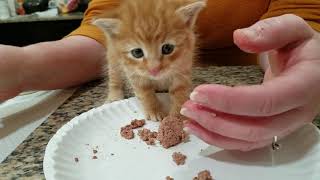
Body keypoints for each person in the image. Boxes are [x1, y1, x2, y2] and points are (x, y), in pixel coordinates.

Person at [0, 0, 319, 151]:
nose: (154, 67)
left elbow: (303, 16)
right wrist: (25, 64)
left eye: (165, 50)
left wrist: (293, 56)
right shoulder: (129, 43)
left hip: (254, 71)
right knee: (125, 70)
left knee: (176, 78)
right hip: (123, 51)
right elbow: (97, 31)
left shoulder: (183, 36)